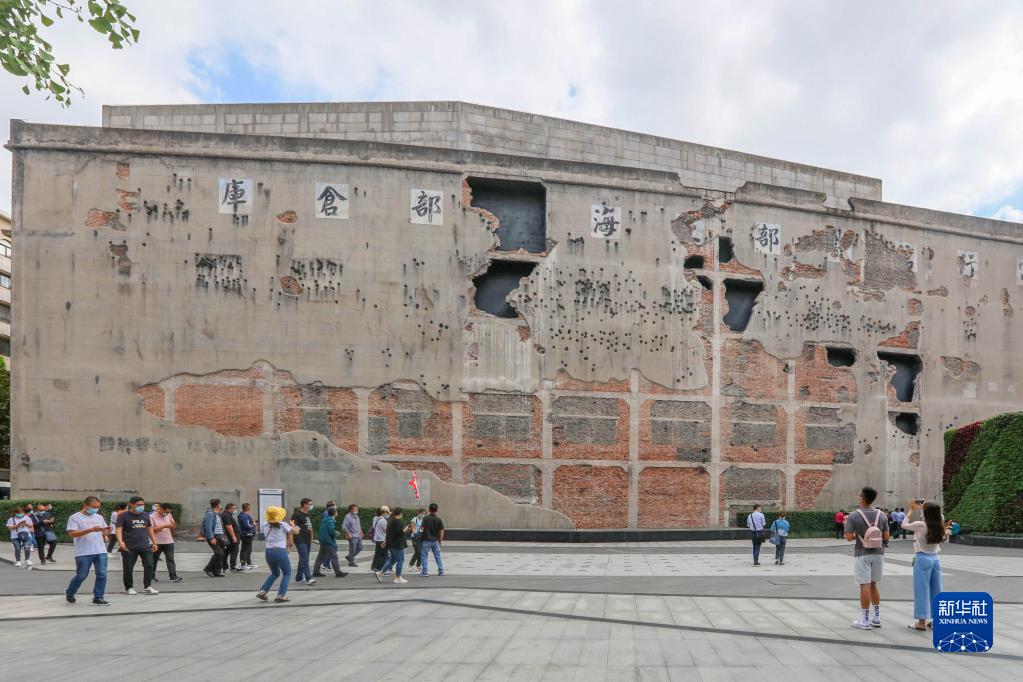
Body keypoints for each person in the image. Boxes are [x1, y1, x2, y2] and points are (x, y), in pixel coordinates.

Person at [845, 486, 890, 630]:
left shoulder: (854, 515)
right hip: (879, 553)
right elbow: (886, 536)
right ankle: (876, 618)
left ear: (863, 499)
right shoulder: (881, 515)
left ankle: (864, 620)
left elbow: (848, 537)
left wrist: (859, 535)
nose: (859, 498)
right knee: (874, 585)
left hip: (862, 553)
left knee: (864, 586)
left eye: (860, 496)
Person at [903, 499, 948, 631]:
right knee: (937, 590)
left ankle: (921, 622)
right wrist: (927, 507)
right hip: (935, 559)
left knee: (921, 590)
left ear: (925, 512)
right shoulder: (939, 524)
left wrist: (911, 510)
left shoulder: (920, 525)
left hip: (922, 559)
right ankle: (937, 621)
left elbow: (904, 525)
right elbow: (939, 515)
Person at [65, 496, 111, 605]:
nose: (96, 509)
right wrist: (90, 530)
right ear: (86, 505)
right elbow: (72, 533)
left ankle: (98, 597)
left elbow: (105, 530)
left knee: (102, 574)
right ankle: (70, 592)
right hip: (84, 552)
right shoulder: (75, 517)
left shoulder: (99, 517)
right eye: (94, 507)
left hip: (100, 550)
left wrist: (106, 532)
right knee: (81, 575)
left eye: (98, 507)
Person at [115, 495, 159, 595]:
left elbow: (149, 528)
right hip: (129, 546)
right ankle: (129, 587)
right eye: (138, 505)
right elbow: (118, 529)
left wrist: (154, 542)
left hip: (145, 545)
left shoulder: (145, 515)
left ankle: (147, 586)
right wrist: (120, 541)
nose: (141, 506)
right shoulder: (123, 516)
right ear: (131, 504)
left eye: (142, 504)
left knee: (149, 565)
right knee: (128, 567)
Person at [257, 506, 295, 603]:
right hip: (279, 551)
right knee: (287, 573)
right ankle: (281, 595)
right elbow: (295, 531)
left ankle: (263, 591)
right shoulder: (282, 524)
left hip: (268, 551)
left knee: (275, 573)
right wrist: (292, 525)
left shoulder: (264, 524)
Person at [150, 503, 182, 583]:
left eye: (168, 512)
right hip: (156, 542)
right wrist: (164, 526)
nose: (167, 514)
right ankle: (151, 576)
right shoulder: (151, 516)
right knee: (154, 559)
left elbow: (172, 523)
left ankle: (173, 576)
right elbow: (151, 529)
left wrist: (173, 525)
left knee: (170, 559)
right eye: (166, 512)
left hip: (168, 541)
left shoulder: (169, 515)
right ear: (160, 509)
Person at [376, 507, 409, 584]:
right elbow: (400, 533)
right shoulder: (398, 521)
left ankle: (380, 573)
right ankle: (398, 578)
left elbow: (388, 532)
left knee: (392, 560)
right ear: (400, 513)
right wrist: (406, 529)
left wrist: (385, 541)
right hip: (397, 544)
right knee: (400, 560)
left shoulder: (390, 520)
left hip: (391, 543)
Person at [313, 506, 347, 577]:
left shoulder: (325, 520)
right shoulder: (331, 521)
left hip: (323, 541)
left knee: (320, 557)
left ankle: (316, 572)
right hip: (328, 542)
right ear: (335, 513)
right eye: (336, 511)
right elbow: (331, 532)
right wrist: (336, 534)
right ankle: (338, 573)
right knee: (334, 557)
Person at [199, 498, 227, 577]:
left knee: (221, 554)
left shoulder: (217, 514)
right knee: (219, 553)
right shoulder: (210, 514)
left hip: (220, 536)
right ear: (218, 505)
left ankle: (217, 571)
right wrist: (211, 538)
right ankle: (208, 569)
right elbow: (208, 527)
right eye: (220, 504)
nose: (221, 505)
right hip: (214, 536)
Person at [291, 498, 316, 585]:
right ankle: (309, 578)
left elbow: (310, 527)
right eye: (310, 504)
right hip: (299, 539)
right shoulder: (296, 514)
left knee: (304, 558)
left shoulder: (308, 514)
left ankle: (299, 577)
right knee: (304, 558)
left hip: (307, 539)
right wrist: (291, 539)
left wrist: (312, 538)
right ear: (304, 505)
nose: (311, 506)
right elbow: (292, 527)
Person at [418, 503, 445, 577]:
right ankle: (441, 571)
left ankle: (425, 572)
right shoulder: (439, 519)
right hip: (435, 540)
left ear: (429, 510)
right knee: (437, 556)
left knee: (424, 556)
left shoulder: (425, 518)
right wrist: (440, 540)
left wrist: (419, 534)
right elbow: (441, 531)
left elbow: (422, 528)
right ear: (436, 510)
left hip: (426, 540)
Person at [221, 503, 241, 572]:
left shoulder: (226, 514)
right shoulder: (226, 515)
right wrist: (233, 537)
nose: (235, 510)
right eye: (234, 508)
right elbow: (228, 526)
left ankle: (225, 566)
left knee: (227, 551)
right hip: (231, 536)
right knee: (234, 551)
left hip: (229, 536)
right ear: (230, 508)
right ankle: (233, 566)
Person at [370, 506, 391, 572]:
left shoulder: (375, 519)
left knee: (377, 554)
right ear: (383, 512)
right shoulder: (383, 520)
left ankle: (374, 566)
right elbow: (386, 531)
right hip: (382, 539)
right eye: (386, 512)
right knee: (383, 555)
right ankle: (380, 568)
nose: (387, 514)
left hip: (377, 539)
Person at [238, 503, 257, 570]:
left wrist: (252, 523)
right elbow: (247, 526)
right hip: (246, 535)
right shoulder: (244, 516)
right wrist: (253, 524)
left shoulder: (245, 515)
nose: (250, 508)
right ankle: (243, 564)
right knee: (245, 549)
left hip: (249, 534)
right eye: (249, 507)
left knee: (249, 549)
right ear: (248, 508)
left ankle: (249, 563)